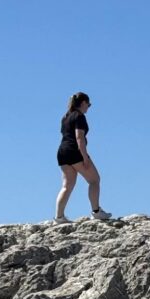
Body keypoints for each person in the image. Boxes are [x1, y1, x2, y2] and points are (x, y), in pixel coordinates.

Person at [55, 92, 111, 223]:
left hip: (62, 152)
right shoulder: (79, 116)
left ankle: (59, 217)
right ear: (83, 103)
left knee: (66, 186)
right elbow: (79, 137)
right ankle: (96, 211)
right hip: (75, 151)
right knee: (94, 180)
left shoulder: (65, 117)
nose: (88, 108)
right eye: (88, 104)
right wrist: (84, 157)